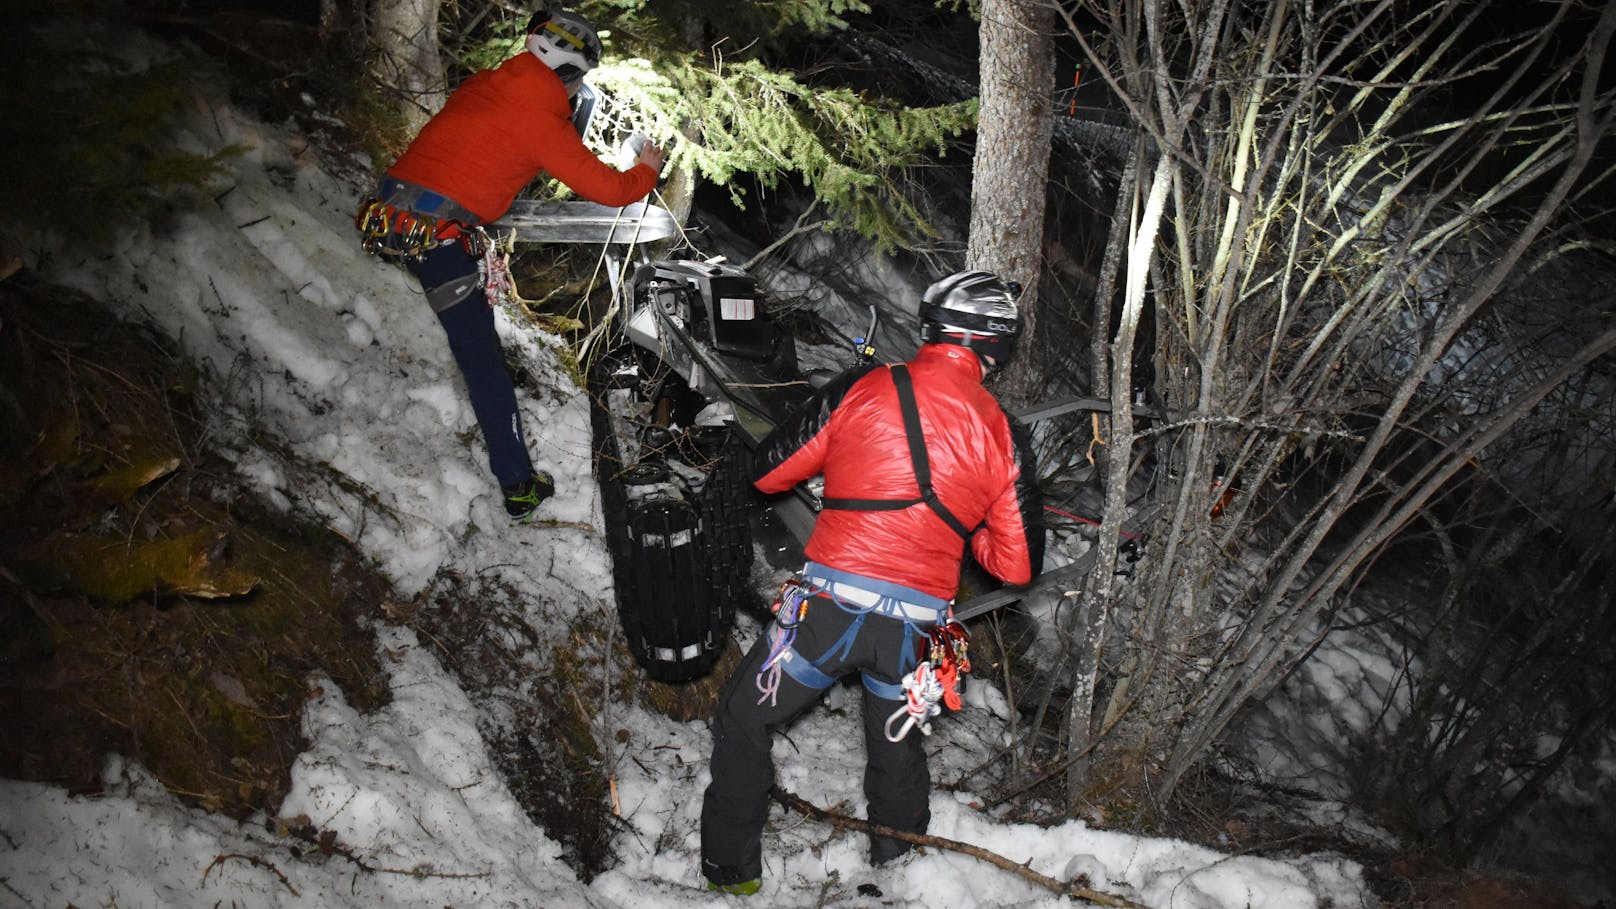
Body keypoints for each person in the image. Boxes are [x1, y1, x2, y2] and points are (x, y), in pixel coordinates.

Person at [699, 269, 1045, 895]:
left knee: (744, 718)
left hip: (828, 612)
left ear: (930, 327)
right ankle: (901, 870)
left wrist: (852, 470)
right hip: (913, 632)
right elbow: (1016, 568)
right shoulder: (1005, 434)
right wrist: (964, 529)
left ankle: (731, 874)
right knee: (897, 750)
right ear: (998, 346)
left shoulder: (866, 387)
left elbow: (769, 472)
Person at [360, 6, 665, 521]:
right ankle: (519, 485)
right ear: (569, 73)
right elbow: (612, 190)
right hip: (437, 237)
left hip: (392, 216)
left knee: (475, 345)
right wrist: (648, 169)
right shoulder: (540, 119)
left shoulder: (483, 85)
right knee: (483, 363)